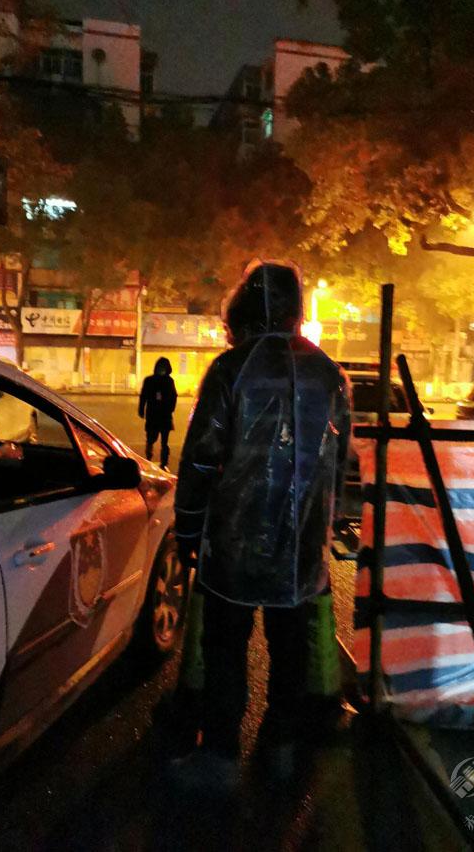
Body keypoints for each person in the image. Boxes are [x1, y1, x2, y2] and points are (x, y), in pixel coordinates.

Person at [173, 260, 351, 790]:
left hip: (233, 542)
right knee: (289, 652)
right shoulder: (329, 374)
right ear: (297, 308)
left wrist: (188, 531)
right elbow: (338, 463)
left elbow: (201, 459)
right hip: (301, 548)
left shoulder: (231, 370)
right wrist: (325, 527)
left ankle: (220, 756)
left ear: (243, 307)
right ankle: (281, 749)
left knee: (225, 650)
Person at [138, 356, 177, 470]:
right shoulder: (151, 380)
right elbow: (143, 396)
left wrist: (170, 408)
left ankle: (163, 462)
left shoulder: (167, 381)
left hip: (162, 414)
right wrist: (141, 409)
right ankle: (149, 459)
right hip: (156, 414)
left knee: (163, 441)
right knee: (151, 439)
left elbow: (173, 397)